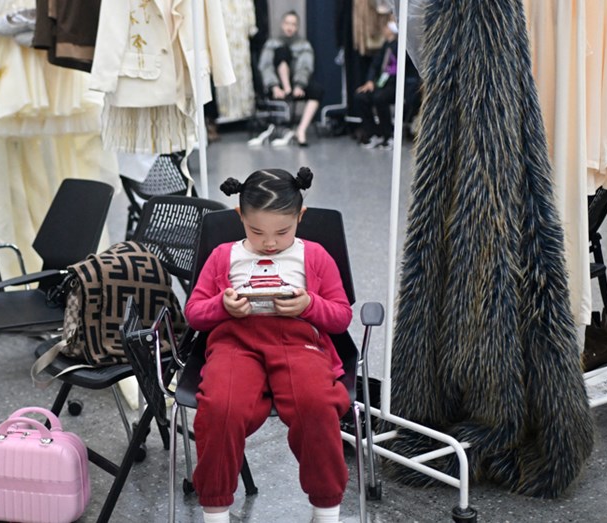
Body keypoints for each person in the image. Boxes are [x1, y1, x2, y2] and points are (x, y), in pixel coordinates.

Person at [184, 167, 352, 523]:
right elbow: (195, 314)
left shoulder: (315, 255)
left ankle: (326, 509)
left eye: (283, 231)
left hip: (298, 343)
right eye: (256, 231)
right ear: (240, 217)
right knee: (219, 409)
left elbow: (340, 318)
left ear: (300, 217)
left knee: (317, 405)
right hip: (235, 344)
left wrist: (309, 304)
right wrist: (223, 306)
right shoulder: (222, 255)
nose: (271, 243)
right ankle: (215, 510)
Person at [256, 10, 322, 147]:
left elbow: (305, 66)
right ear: (282, 24)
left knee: (317, 90)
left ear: (297, 27)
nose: (289, 27)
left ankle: (301, 130)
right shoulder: (272, 43)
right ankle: (286, 88)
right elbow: (265, 66)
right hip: (277, 84)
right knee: (282, 51)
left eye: (293, 24)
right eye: (287, 23)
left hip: (297, 82)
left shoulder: (304, 44)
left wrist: (299, 85)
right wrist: (274, 86)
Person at [353, 16, 416, 149]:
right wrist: (370, 81)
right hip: (381, 84)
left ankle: (388, 135)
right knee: (361, 97)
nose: (384, 27)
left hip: (396, 85)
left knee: (379, 98)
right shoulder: (385, 46)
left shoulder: (404, 46)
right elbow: (375, 65)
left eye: (388, 24)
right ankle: (373, 133)